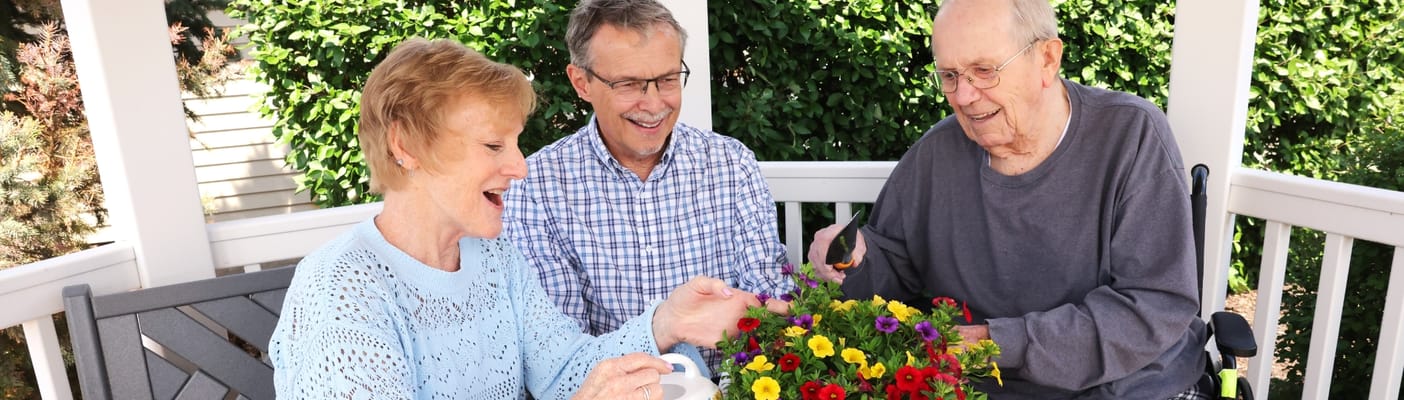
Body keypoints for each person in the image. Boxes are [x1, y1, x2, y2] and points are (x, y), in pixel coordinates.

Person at [269, 38, 758, 400]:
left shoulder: (492, 258)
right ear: (406, 146)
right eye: (492, 146)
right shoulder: (340, 292)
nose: (520, 167)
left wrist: (666, 320)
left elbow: (565, 369)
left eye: (516, 143)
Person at [805, 0, 1209, 398]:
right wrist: (854, 258)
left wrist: (997, 341)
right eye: (949, 75)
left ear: (1047, 60)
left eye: (984, 71)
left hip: (1126, 386)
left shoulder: (1130, 134)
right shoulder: (937, 152)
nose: (963, 95)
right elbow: (895, 263)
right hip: (979, 386)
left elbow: (1154, 304)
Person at [501, 0, 793, 367]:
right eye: (629, 84)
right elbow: (560, 354)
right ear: (581, 83)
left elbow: (771, 301)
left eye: (668, 79)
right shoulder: (538, 186)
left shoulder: (731, 164)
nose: (654, 103)